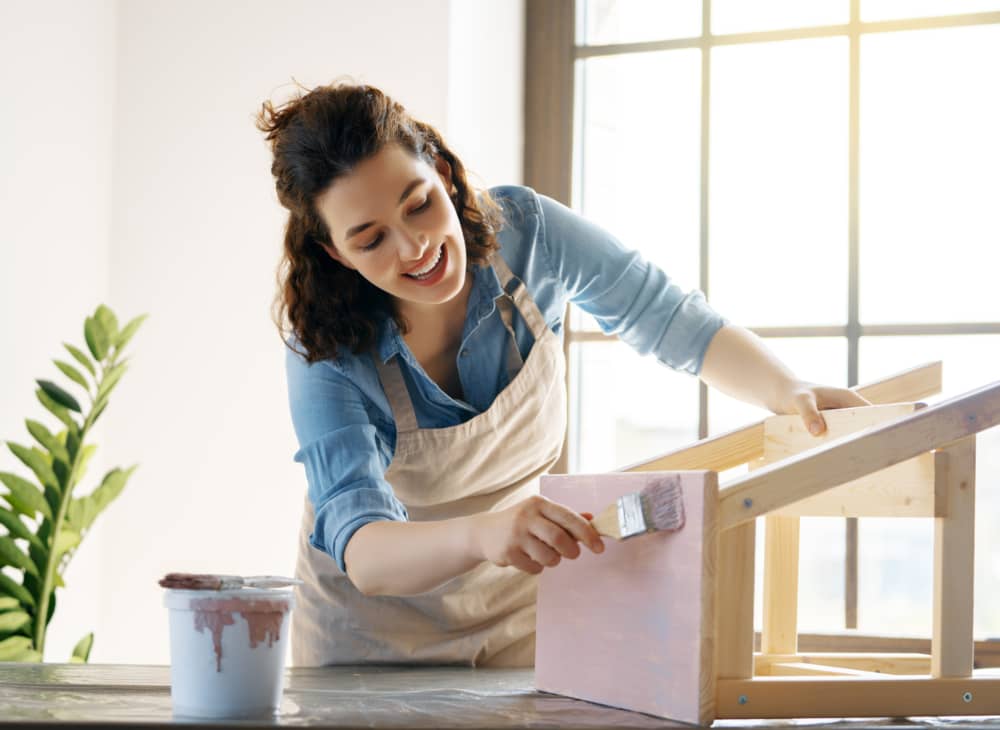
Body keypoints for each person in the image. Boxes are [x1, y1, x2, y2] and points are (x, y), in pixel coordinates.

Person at [255, 79, 869, 668]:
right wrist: (485, 534)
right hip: (369, 645)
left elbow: (665, 315)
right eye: (370, 240)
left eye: (419, 205)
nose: (414, 246)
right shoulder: (326, 349)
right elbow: (364, 549)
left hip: (518, 623)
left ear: (442, 172)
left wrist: (787, 390)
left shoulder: (526, 234)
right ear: (335, 252)